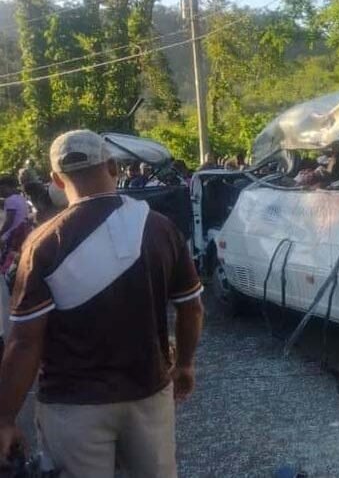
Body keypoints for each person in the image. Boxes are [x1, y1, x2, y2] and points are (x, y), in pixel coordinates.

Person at [0, 130, 205, 477]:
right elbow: (191, 307)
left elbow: (24, 343)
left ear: (56, 181)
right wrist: (184, 364)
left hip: (73, 406)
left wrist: (4, 418)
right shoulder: (159, 228)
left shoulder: (42, 245)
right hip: (148, 395)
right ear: (111, 165)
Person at [0, 176, 32, 278]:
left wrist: (0, 233)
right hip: (23, 230)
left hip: (12, 235)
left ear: (7, 187)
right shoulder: (20, 198)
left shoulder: (10, 200)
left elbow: (9, 220)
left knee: (8, 259)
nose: (0, 192)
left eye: (1, 189)